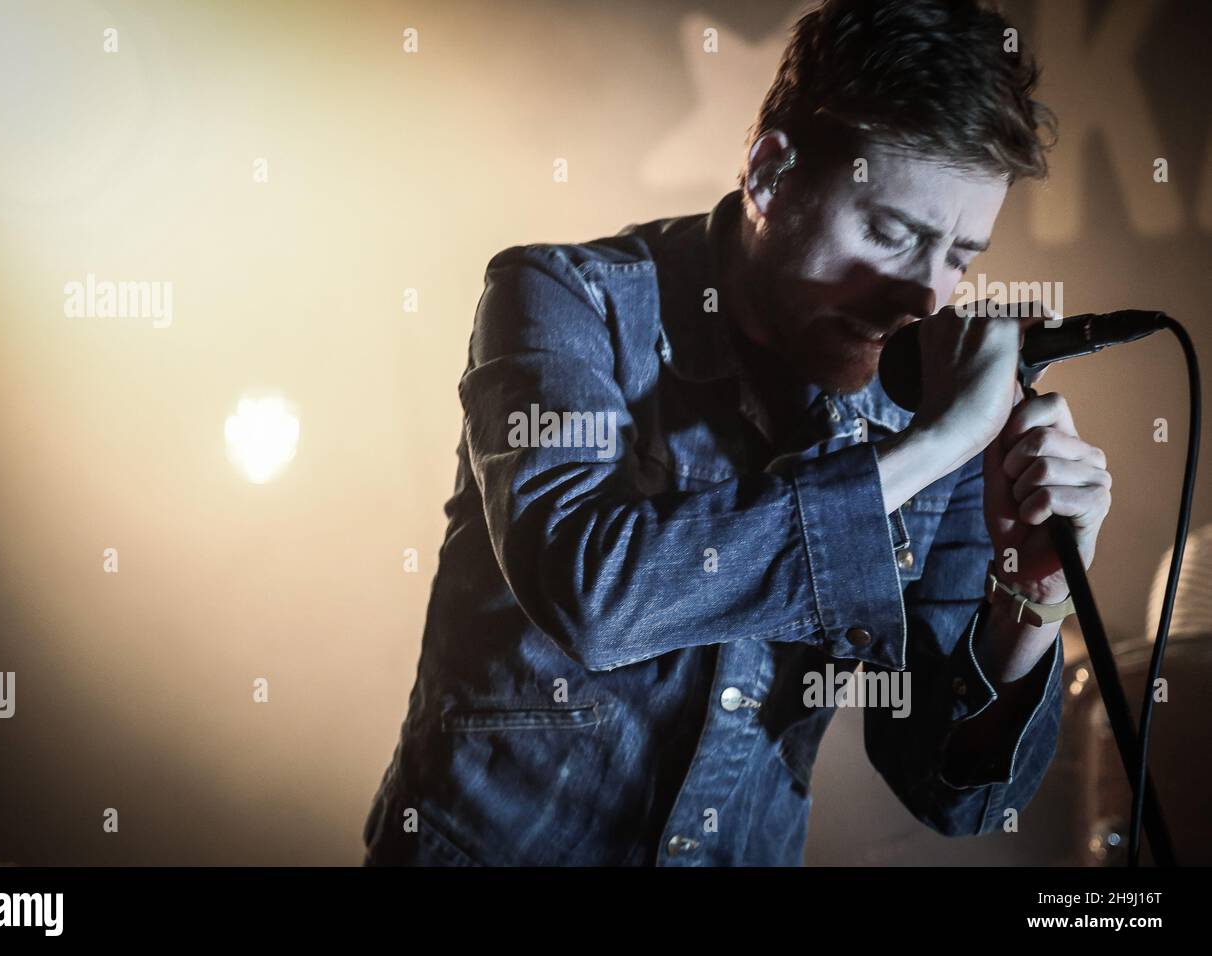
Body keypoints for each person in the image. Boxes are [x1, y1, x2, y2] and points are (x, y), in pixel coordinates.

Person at [363, 0, 1112, 866]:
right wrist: (936, 445)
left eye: (960, 257)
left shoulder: (928, 404)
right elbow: (596, 597)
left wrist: (1029, 596)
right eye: (889, 232)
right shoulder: (566, 299)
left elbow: (949, 793)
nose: (927, 299)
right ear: (770, 174)